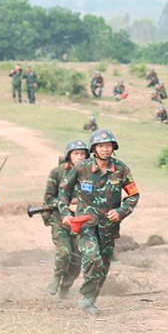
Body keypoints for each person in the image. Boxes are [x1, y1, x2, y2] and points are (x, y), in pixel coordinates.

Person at [57, 129, 140, 315]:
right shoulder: (81, 168)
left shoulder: (121, 169)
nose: (105, 149)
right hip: (85, 224)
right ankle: (86, 299)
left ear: (113, 148)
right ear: (94, 148)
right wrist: (64, 213)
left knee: (102, 265)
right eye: (101, 146)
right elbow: (63, 192)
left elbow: (133, 194)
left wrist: (121, 211)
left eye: (108, 146)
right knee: (92, 257)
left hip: (109, 227)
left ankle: (90, 299)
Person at [43, 140, 89, 298]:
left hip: (82, 222)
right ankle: (57, 276)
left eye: (82, 154)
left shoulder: (91, 174)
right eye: (76, 154)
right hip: (60, 220)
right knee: (64, 253)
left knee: (77, 260)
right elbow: (48, 200)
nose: (79, 157)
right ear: (69, 155)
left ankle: (65, 288)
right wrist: (66, 205)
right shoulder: (57, 173)